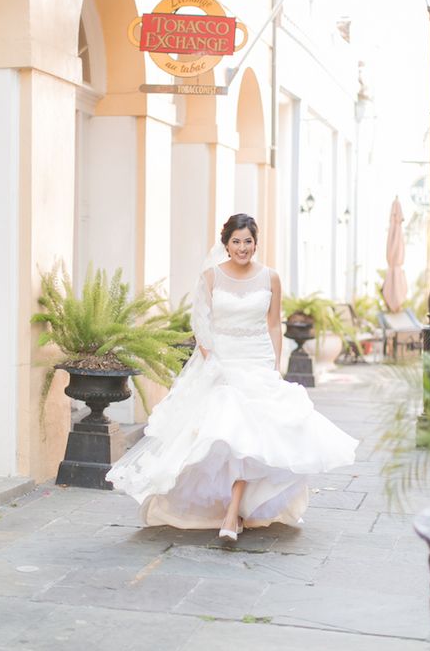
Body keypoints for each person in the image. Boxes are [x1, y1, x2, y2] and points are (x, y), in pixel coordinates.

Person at [106, 213, 358, 540]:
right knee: (229, 432)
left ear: (256, 242)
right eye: (236, 241)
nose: (242, 248)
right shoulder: (211, 276)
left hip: (257, 361)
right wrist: (213, 361)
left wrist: (274, 364)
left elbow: (272, 324)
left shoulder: (271, 278)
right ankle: (228, 510)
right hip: (221, 361)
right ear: (226, 244)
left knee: (253, 436)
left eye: (248, 241)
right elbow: (201, 324)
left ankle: (233, 511)